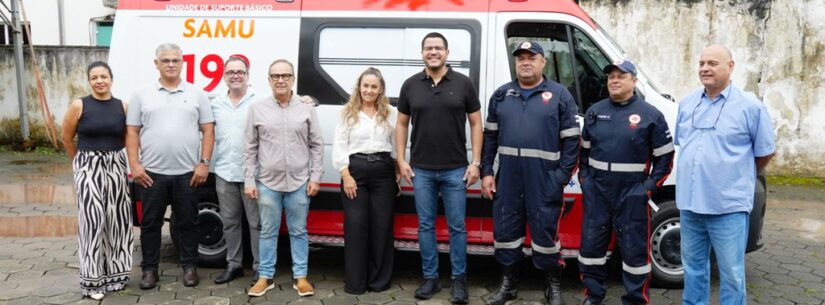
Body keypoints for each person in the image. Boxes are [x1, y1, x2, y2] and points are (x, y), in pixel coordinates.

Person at [675, 45, 775, 305]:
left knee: (731, 274)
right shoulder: (687, 104)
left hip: (728, 207)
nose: (705, 68)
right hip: (689, 204)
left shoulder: (750, 107)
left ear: (730, 67)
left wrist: (736, 176)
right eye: (701, 63)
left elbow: (765, 152)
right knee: (693, 269)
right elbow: (684, 146)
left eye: (712, 63)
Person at [481, 41, 579, 305]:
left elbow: (572, 142)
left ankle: (553, 286)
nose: (525, 62)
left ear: (543, 62)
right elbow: (489, 138)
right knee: (506, 233)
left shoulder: (559, 95)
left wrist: (559, 178)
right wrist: (487, 172)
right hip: (509, 179)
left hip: (543, 180)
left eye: (531, 58)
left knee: (546, 234)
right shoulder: (502, 95)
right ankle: (508, 285)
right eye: (521, 58)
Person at [577, 60, 674, 305]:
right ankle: (593, 296)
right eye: (611, 77)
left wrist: (646, 189)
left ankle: (635, 300)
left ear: (634, 81)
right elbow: (584, 155)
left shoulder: (650, 115)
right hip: (598, 192)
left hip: (631, 194)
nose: (615, 80)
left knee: (634, 254)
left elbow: (665, 159)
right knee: (591, 251)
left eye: (621, 76)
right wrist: (586, 182)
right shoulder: (594, 112)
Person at [396, 32, 482, 304]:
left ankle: (459, 281)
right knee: (425, 226)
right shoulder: (410, 85)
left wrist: (476, 162)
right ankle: (430, 278)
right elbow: (401, 124)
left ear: (447, 52)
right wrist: (400, 159)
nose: (433, 52)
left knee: (457, 227)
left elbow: (476, 124)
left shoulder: (463, 83)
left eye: (438, 48)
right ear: (422, 53)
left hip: (456, 169)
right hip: (421, 170)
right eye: (428, 48)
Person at [126, 43, 215, 289]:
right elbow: (132, 131)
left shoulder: (197, 93)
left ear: (183, 62)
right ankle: (149, 271)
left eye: (175, 60)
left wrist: (204, 164)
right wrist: (135, 165)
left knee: (188, 223)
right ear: (156, 63)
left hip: (187, 174)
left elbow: (208, 130)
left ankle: (189, 267)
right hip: (151, 175)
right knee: (150, 224)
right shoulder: (141, 95)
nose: (171, 64)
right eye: (165, 60)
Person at [245, 59, 323, 298]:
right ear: (269, 80)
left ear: (293, 79)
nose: (280, 80)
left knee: (299, 231)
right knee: (267, 231)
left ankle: (300, 277)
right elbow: (249, 147)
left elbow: (317, 145)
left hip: (299, 182)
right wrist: (249, 180)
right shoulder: (257, 109)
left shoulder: (306, 108)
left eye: (285, 76)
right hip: (267, 183)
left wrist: (316, 177)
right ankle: (265, 278)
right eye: (275, 76)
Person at [61, 61, 132, 300]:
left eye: (103, 76)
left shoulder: (123, 106)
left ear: (111, 79)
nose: (99, 81)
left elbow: (126, 137)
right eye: (94, 77)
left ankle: (116, 276)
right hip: (88, 166)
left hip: (116, 166)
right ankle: (92, 283)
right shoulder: (79, 105)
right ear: (89, 81)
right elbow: (67, 137)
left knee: (117, 221)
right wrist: (80, 163)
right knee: (92, 222)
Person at [332, 67, 398, 294]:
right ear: (359, 87)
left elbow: (396, 145)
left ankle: (378, 282)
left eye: (374, 87)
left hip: (383, 172)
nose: (369, 90)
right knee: (356, 226)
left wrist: (398, 172)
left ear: (381, 90)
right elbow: (339, 145)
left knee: (382, 226)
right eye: (365, 85)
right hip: (355, 172)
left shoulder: (390, 112)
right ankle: (356, 283)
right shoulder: (348, 112)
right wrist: (346, 176)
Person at [211, 56, 261, 285]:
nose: (235, 75)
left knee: (256, 223)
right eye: (231, 72)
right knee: (230, 222)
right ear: (224, 75)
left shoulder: (259, 101)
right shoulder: (215, 103)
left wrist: (306, 100)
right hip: (224, 171)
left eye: (240, 72)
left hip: (254, 174)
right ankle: (234, 265)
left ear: (247, 75)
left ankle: (261, 267)